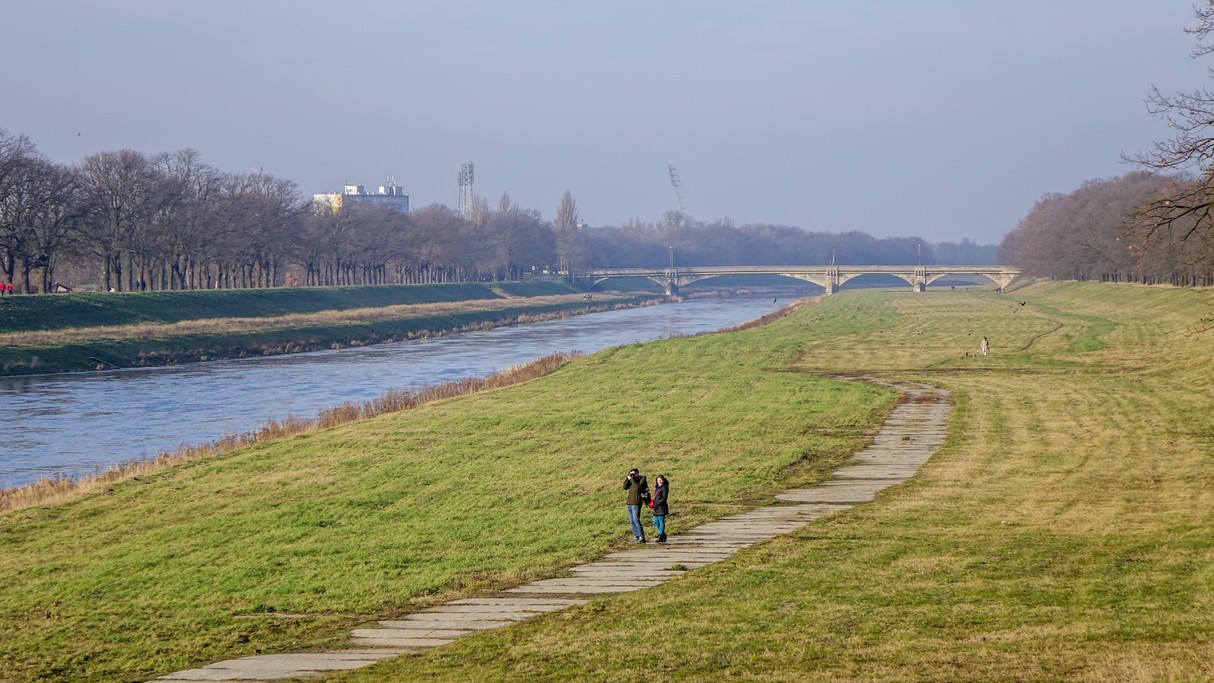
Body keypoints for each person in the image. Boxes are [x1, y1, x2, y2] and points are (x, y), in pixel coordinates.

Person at [623, 467, 650, 543]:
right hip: (630, 502)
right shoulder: (631, 480)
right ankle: (636, 536)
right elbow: (625, 487)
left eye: (634, 474)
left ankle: (641, 536)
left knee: (636, 520)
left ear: (637, 473)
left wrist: (632, 480)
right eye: (631, 474)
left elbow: (637, 488)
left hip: (636, 502)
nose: (633, 475)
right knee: (632, 521)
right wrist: (627, 479)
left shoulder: (642, 479)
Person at [651, 474, 670, 543]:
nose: (659, 481)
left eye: (660, 480)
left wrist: (657, 503)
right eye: (658, 480)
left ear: (663, 480)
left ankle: (661, 535)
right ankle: (663, 534)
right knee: (655, 521)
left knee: (661, 521)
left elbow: (664, 498)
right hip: (656, 507)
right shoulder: (657, 487)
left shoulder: (664, 487)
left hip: (661, 507)